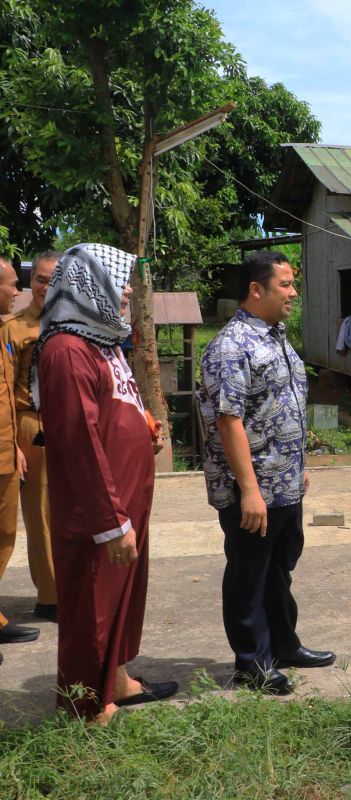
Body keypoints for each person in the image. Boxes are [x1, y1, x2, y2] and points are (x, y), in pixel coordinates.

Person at [34, 243, 176, 723]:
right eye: (121, 279)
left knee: (121, 598)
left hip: (127, 493)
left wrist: (143, 429)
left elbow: (113, 410)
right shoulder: (67, 350)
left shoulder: (102, 341)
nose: (130, 289)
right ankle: (84, 711)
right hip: (101, 510)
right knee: (91, 607)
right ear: (90, 283)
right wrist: (111, 522)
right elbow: (78, 442)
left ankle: (115, 681)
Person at [199, 251, 333, 696]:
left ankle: (284, 645)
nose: (294, 293)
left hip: (286, 482)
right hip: (252, 490)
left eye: (293, 284)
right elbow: (229, 420)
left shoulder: (276, 338)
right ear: (256, 290)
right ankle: (252, 663)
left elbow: (282, 406)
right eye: (286, 285)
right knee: (249, 575)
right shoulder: (231, 346)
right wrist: (250, 491)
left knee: (279, 570)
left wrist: (300, 466)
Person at [2, 251, 61, 622]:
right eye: (40, 279)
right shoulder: (15, 328)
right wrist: (11, 443)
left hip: (73, 425)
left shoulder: (78, 325)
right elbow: (5, 390)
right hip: (32, 423)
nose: (46, 287)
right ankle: (52, 596)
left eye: (55, 280)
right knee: (40, 512)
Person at [0, 256, 34, 648]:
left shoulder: (4, 331)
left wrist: (13, 445)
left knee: (5, 537)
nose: (16, 292)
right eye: (11, 284)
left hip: (6, 453)